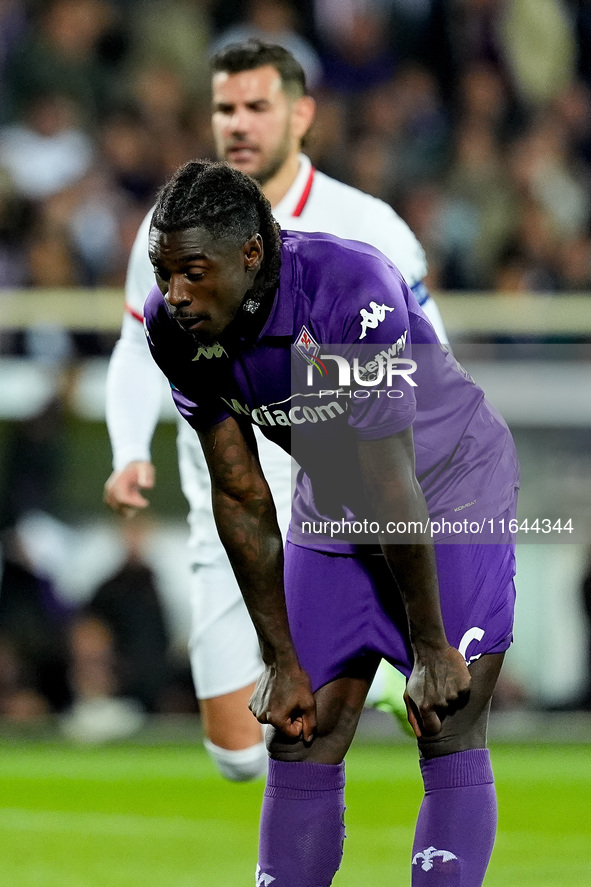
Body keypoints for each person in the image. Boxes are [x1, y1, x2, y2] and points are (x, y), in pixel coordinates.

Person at [142, 158, 519, 886]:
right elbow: (241, 492)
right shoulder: (174, 328)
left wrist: (430, 643)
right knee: (299, 726)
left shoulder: (351, 291)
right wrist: (279, 659)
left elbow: (390, 479)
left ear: (250, 253)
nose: (174, 295)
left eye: (192, 272)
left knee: (446, 717)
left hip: (447, 490)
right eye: (164, 274)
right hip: (337, 496)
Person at [103, 40, 447, 781]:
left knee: (304, 732)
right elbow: (138, 344)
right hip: (227, 499)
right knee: (236, 754)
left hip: (339, 494)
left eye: (257, 106)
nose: (238, 123)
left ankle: (372, 662)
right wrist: (128, 446)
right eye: (225, 107)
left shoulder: (366, 226)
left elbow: (428, 351)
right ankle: (378, 674)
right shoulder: (171, 233)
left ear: (302, 116)